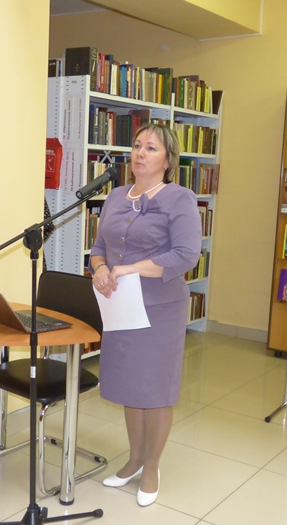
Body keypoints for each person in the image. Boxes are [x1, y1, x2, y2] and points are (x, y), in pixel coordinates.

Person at [89, 123, 202, 506]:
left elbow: (186, 254)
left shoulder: (179, 198)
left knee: (154, 389)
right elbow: (98, 247)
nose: (140, 153)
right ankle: (134, 459)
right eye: (137, 145)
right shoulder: (116, 196)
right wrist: (100, 269)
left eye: (151, 148)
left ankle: (151, 466)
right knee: (130, 385)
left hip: (159, 309)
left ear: (168, 160)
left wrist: (132, 269)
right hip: (120, 306)